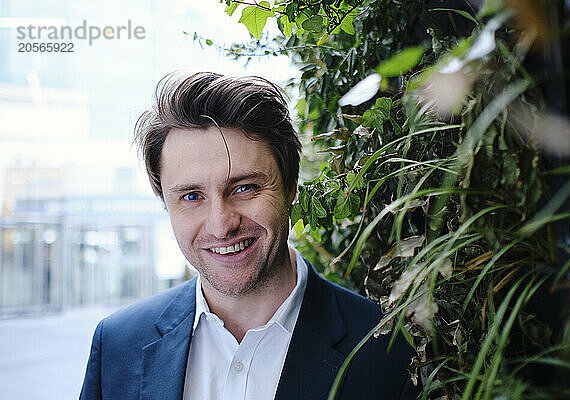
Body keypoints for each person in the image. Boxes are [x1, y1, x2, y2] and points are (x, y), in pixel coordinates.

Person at [80, 72, 418, 400]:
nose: (221, 224)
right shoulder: (117, 345)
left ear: (289, 189)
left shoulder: (386, 349)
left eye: (244, 188)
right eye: (192, 196)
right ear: (166, 205)